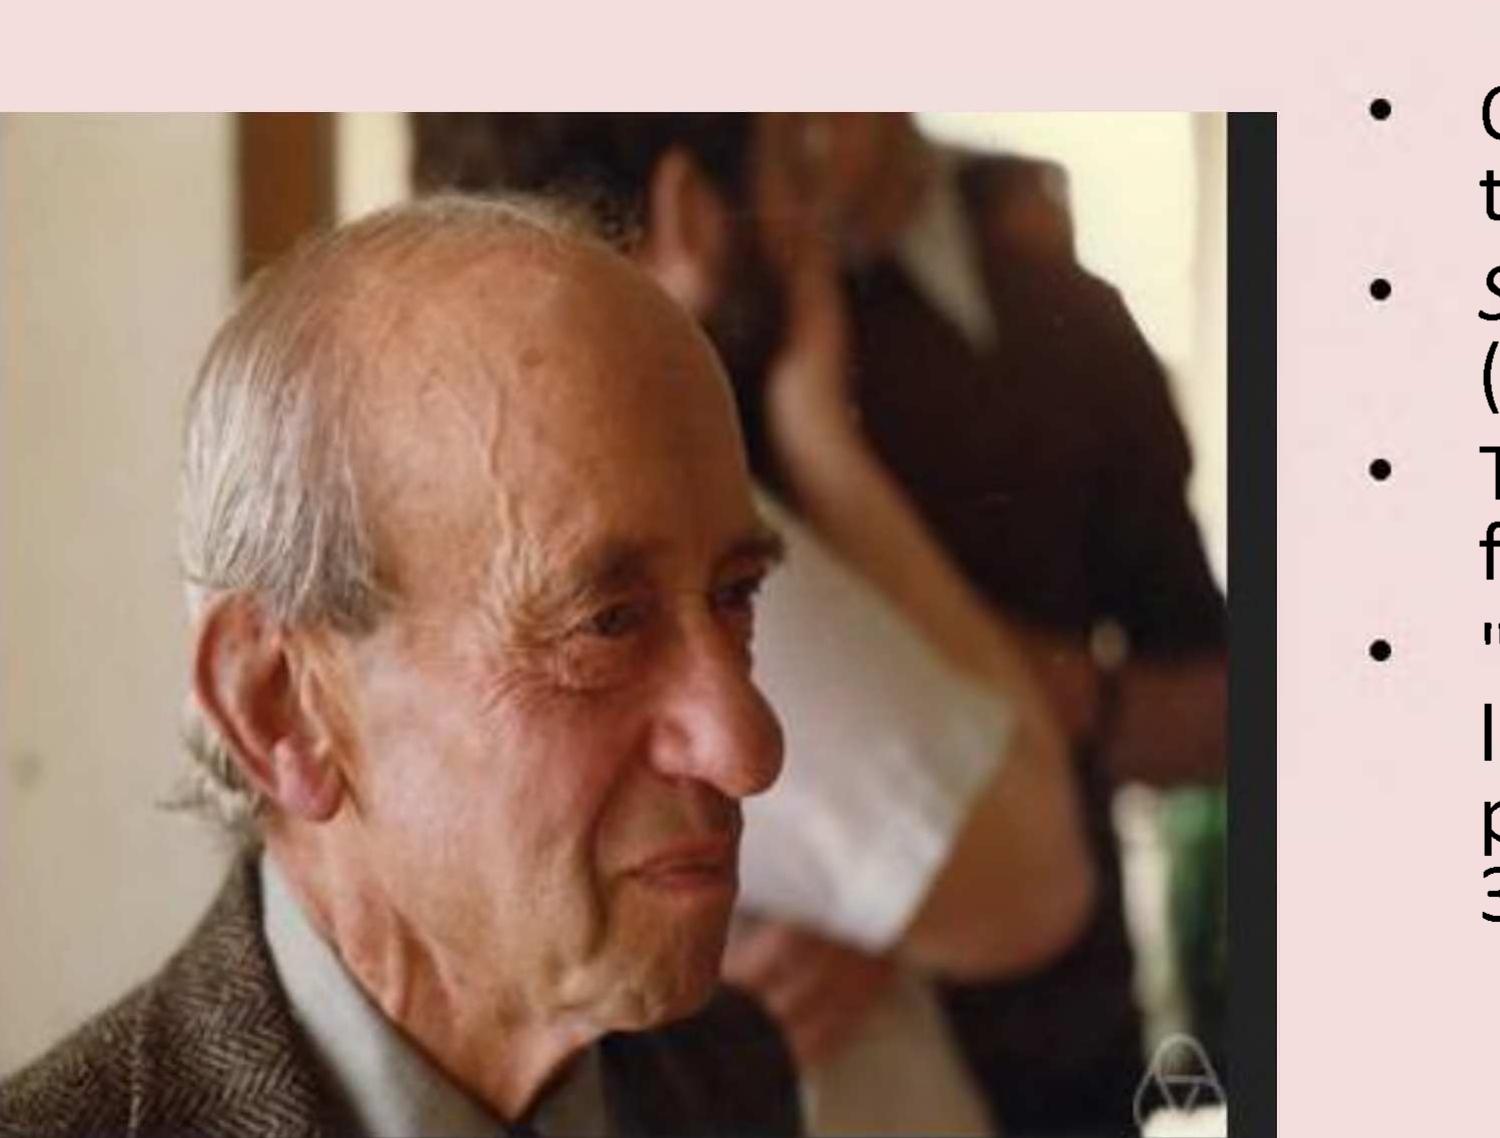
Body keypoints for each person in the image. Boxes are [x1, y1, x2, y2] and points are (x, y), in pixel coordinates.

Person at [412, 112, 1228, 1136]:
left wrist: (901, 856)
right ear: (690, 207)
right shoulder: (680, 411)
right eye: (781, 141)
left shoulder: (1055, 315)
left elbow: (1222, 715)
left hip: (1059, 1048)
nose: (804, 153)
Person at [0, 195, 805, 1137]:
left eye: (735, 595)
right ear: (282, 708)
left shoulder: (728, 1075)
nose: (748, 749)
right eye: (606, 623)